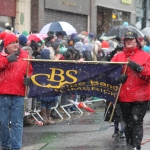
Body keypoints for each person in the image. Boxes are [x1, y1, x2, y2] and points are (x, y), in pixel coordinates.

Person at [111, 31, 150, 150]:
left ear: (136, 41)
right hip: (124, 96)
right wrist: (117, 78)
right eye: (126, 39)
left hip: (140, 96)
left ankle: (136, 146)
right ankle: (129, 145)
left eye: (131, 39)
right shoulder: (118, 56)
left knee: (137, 121)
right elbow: (109, 73)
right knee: (127, 123)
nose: (128, 41)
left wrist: (140, 69)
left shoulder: (146, 56)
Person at [0, 33, 33, 150]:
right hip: (2, 94)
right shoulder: (1, 56)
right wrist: (7, 60)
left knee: (17, 123)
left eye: (16, 42)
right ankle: (5, 145)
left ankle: (16, 147)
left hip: (19, 94)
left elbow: (31, 71)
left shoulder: (26, 56)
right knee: (2, 122)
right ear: (6, 45)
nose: (15, 44)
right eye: (12, 42)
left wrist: (30, 78)